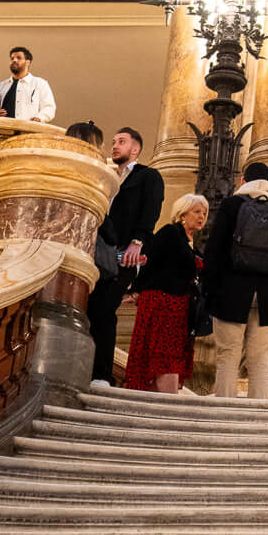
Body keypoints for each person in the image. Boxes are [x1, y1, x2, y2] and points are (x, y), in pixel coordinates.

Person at [202, 161, 268, 400]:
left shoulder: (231, 206)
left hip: (231, 294)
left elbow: (213, 251)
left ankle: (223, 419)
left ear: (242, 181)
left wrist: (209, 290)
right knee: (259, 362)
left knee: (228, 356)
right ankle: (257, 419)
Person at [89, 126, 164, 385]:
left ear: (135, 149)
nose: (114, 146)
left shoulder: (148, 176)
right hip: (98, 251)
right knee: (92, 307)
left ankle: (102, 375)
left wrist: (137, 242)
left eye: (121, 141)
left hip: (125, 253)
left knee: (105, 307)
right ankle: (91, 370)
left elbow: (151, 211)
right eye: (113, 141)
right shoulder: (105, 177)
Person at [125, 192, 207, 393]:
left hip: (178, 306)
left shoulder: (190, 243)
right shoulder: (170, 232)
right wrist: (136, 290)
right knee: (163, 354)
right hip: (161, 303)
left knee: (170, 354)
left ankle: (166, 401)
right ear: (182, 214)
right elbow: (148, 260)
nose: (202, 217)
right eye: (197, 211)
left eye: (204, 213)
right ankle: (167, 402)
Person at [0, 46, 56, 123]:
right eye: (12, 58)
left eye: (19, 58)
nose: (14, 60)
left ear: (28, 62)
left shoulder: (40, 84)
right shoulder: (1, 86)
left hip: (27, 132)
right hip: (3, 131)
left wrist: (39, 118)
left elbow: (49, 107)